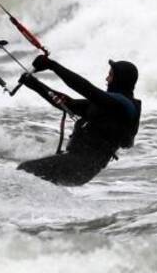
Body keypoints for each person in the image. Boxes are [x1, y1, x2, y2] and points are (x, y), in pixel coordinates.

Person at [17, 55, 141, 186]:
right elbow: (67, 104)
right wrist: (35, 84)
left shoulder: (121, 106)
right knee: (29, 175)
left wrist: (52, 65)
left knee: (24, 171)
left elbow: (85, 88)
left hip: (80, 166)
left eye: (110, 75)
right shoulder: (107, 104)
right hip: (77, 165)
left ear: (120, 80)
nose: (107, 79)